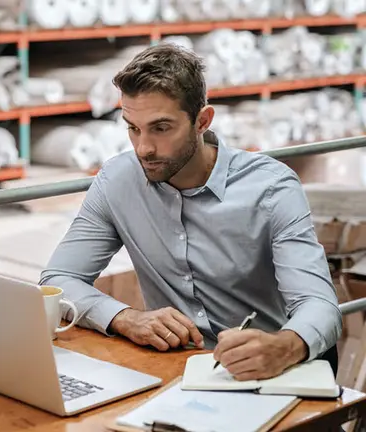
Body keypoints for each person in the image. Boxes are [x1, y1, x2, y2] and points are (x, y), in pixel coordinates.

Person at [39, 43, 342, 381]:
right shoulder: (117, 180)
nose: (143, 148)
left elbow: (319, 305)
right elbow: (57, 280)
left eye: (161, 128)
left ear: (202, 121)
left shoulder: (272, 188)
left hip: (265, 374)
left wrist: (284, 346)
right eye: (133, 128)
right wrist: (125, 318)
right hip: (170, 372)